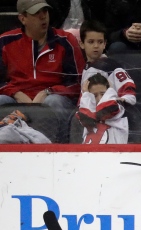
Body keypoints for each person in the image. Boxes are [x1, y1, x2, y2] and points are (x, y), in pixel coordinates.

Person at [0, 0, 85, 143]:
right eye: (36, 13)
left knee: (54, 101)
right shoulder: (5, 41)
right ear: (23, 18)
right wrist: (15, 92)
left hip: (53, 96)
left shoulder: (66, 40)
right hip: (16, 97)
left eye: (45, 12)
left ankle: (59, 148)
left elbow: (77, 83)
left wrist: (49, 91)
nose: (43, 17)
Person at [79, 20, 137, 106]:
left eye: (100, 42)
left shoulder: (110, 66)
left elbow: (129, 91)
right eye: (91, 42)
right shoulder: (86, 67)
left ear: (105, 44)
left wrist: (120, 101)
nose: (96, 46)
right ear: (82, 44)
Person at [75, 73, 127, 144]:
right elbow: (87, 118)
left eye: (103, 94)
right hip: (89, 153)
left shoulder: (118, 108)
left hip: (113, 153)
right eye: (95, 95)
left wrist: (111, 89)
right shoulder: (84, 113)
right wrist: (86, 94)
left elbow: (105, 108)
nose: (99, 98)